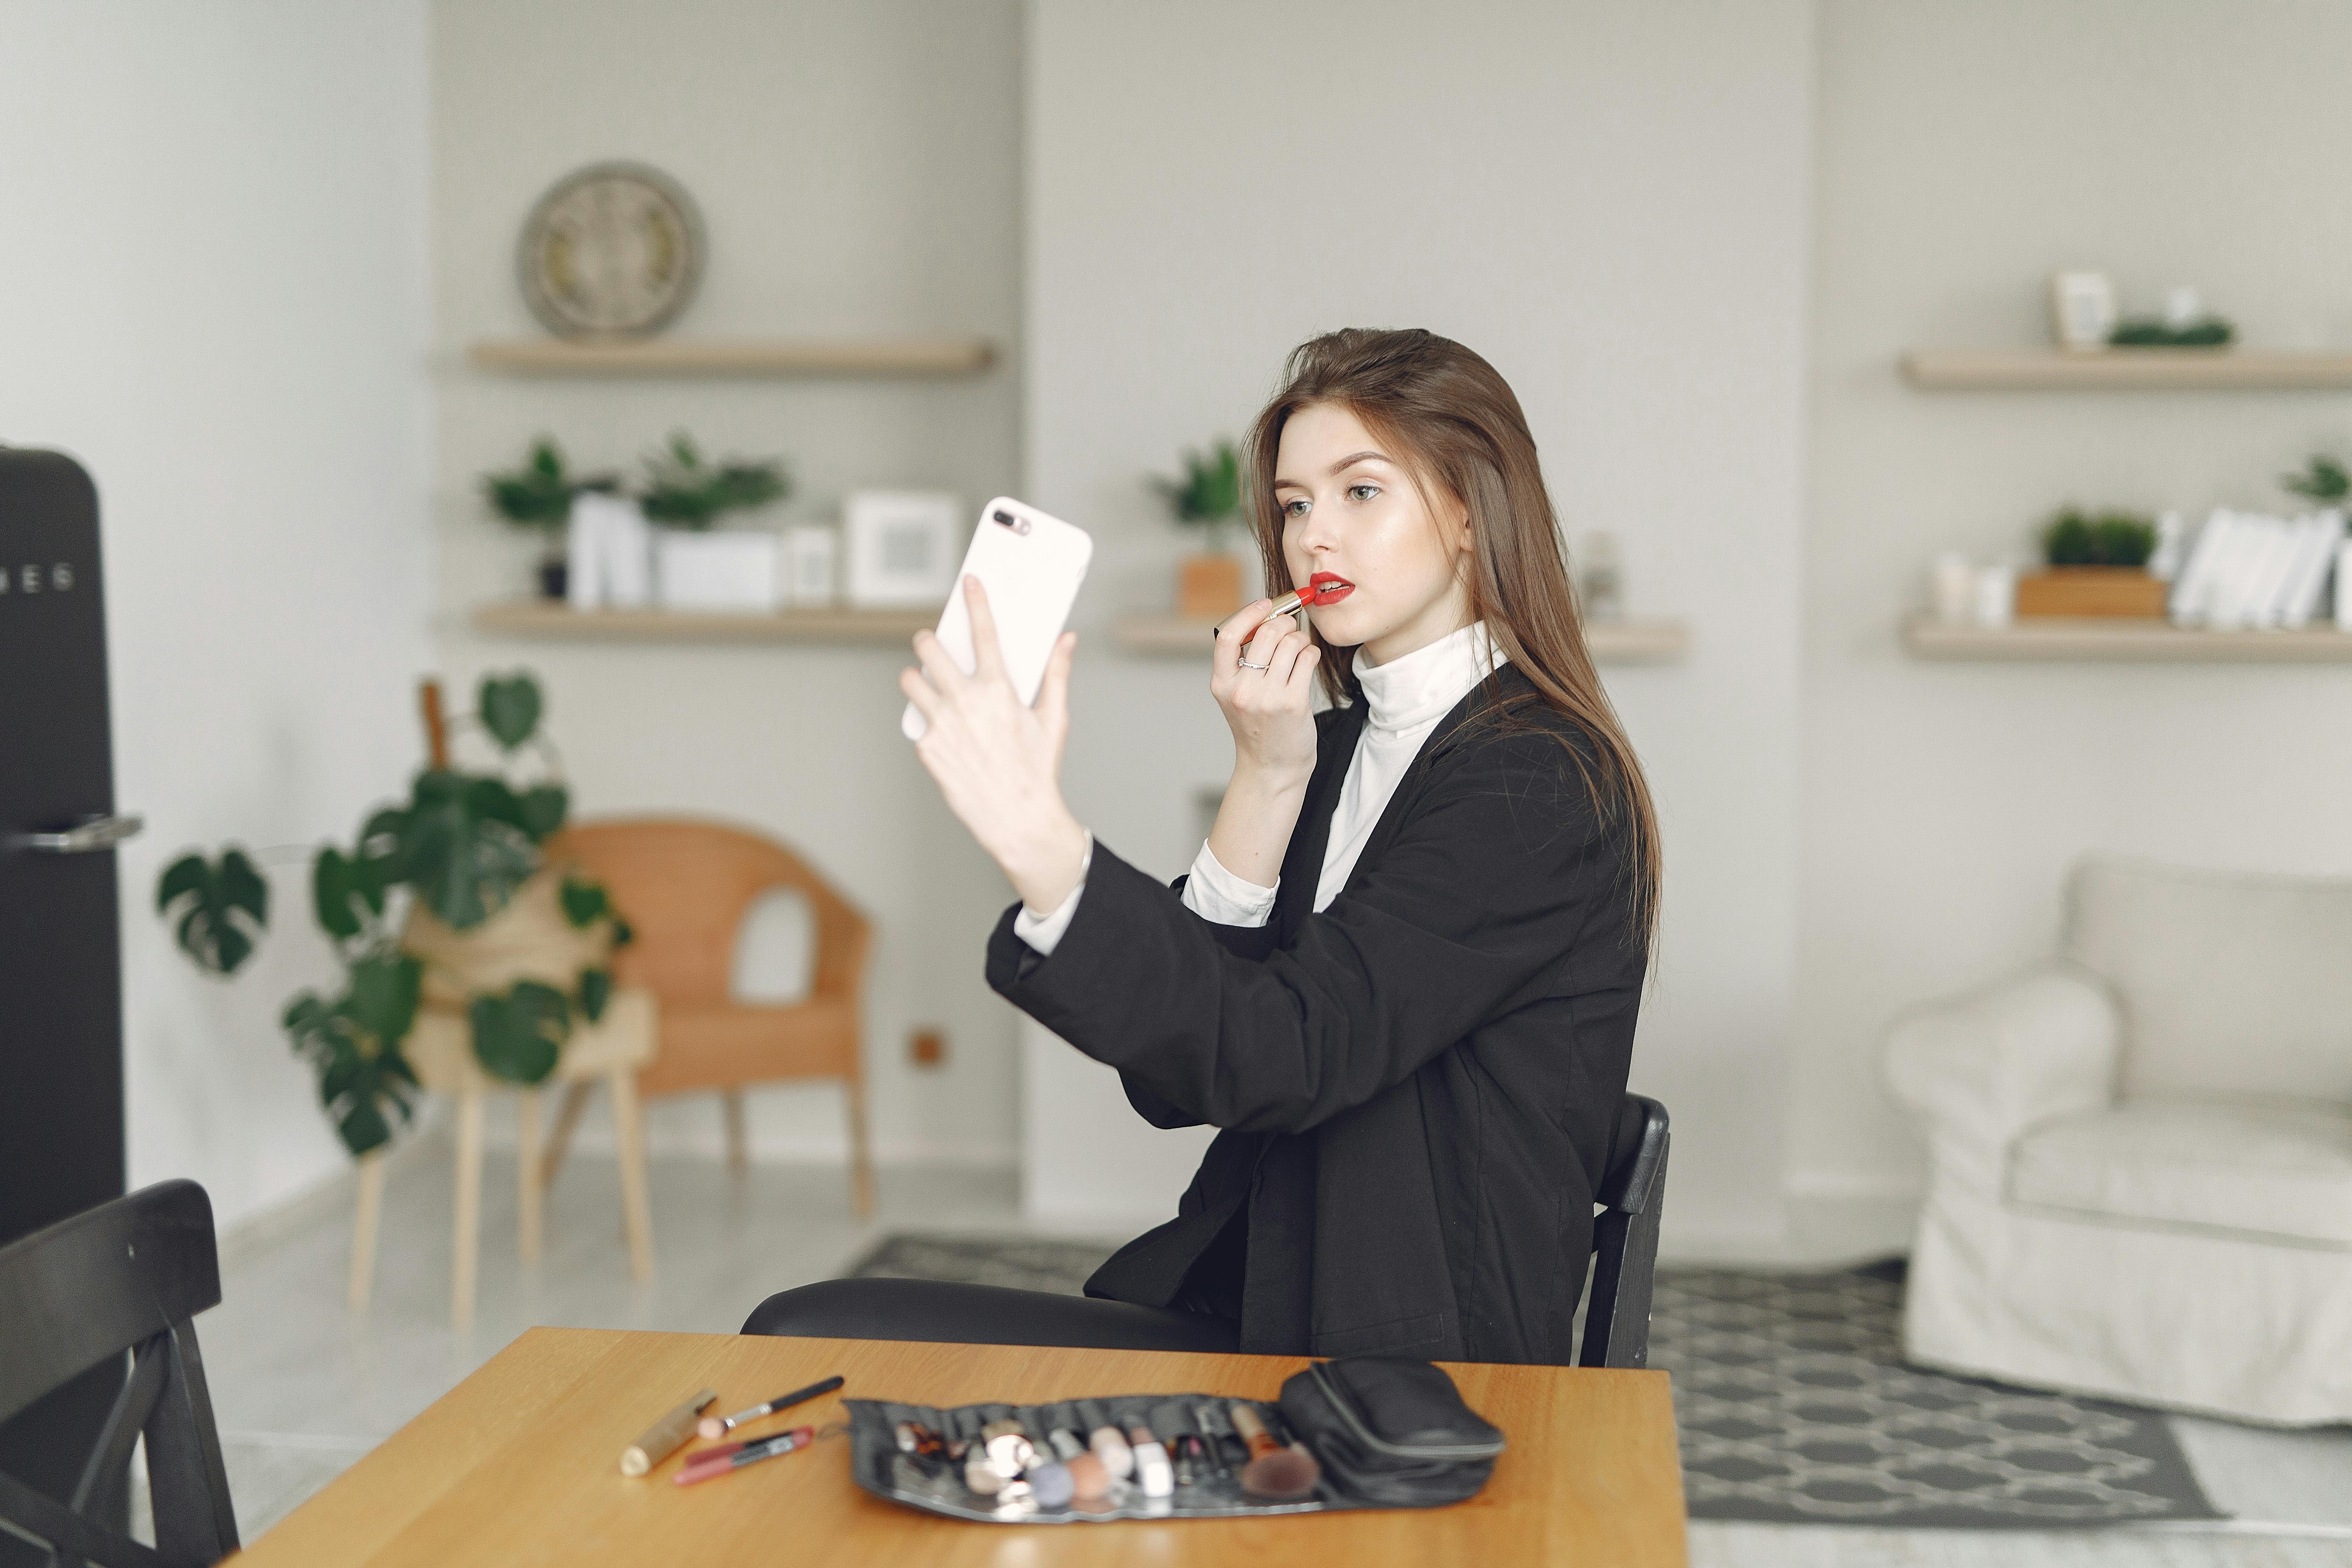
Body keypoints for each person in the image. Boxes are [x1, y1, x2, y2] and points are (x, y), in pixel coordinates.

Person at [743, 328, 1658, 1364]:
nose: (1316, 537)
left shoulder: (1535, 779)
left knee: (802, 1341)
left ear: (1465, 511)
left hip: (1393, 1362)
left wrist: (1045, 844)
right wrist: (1264, 780)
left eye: (1362, 493)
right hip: (1256, 1300)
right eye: (1296, 505)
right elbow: (1173, 1086)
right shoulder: (1340, 747)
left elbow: (1289, 1055)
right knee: (796, 1332)